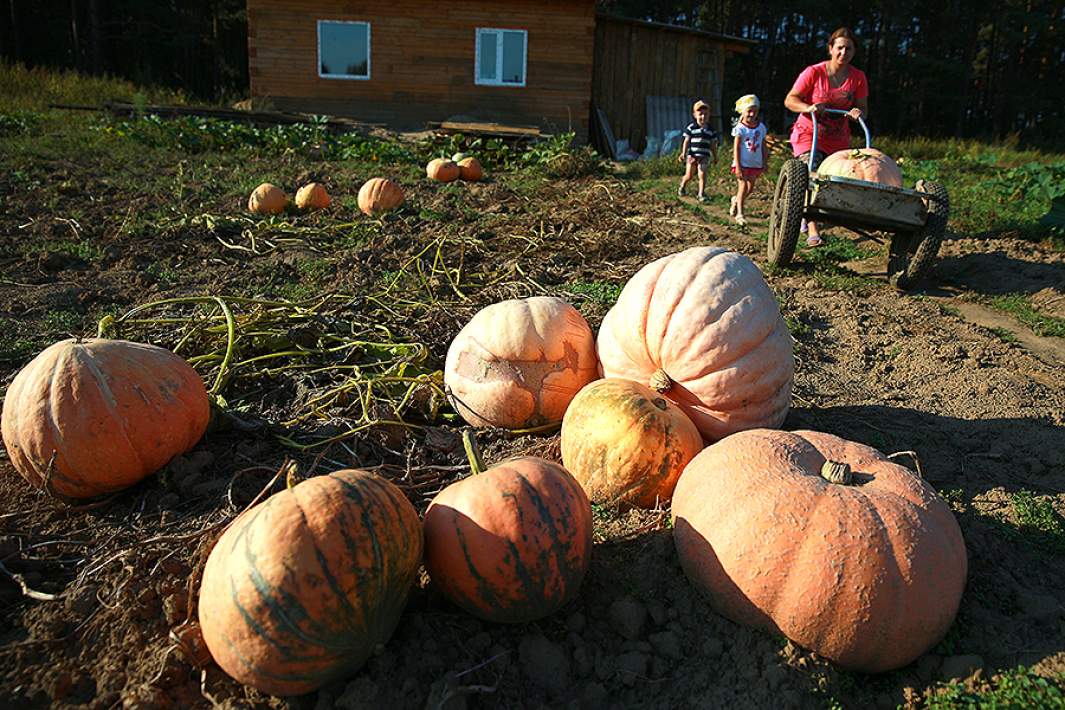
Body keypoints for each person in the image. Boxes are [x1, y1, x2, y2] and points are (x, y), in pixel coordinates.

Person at [784, 26, 869, 246]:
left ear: (853, 52)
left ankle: (811, 214)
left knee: (834, 181)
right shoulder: (814, 72)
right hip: (808, 134)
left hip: (838, 140)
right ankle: (813, 229)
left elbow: (863, 108)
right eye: (839, 48)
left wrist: (857, 114)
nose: (843, 53)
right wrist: (809, 107)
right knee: (811, 174)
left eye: (848, 49)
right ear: (831, 49)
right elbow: (790, 99)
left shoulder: (858, 78)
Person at [729, 94, 767, 226]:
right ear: (743, 112)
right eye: (749, 111)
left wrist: (764, 162)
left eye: (754, 111)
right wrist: (738, 165)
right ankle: (740, 214)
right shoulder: (740, 128)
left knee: (749, 189)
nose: (751, 114)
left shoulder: (761, 128)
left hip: (755, 164)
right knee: (743, 186)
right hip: (742, 163)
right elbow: (736, 147)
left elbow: (763, 145)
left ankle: (735, 200)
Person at [677, 100, 719, 203]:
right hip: (692, 155)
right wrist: (683, 153)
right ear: (695, 115)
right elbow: (686, 141)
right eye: (700, 114)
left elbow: (713, 145)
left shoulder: (711, 130)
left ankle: (701, 194)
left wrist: (715, 156)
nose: (703, 117)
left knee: (702, 174)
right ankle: (682, 186)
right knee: (689, 175)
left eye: (706, 114)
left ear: (709, 115)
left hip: (704, 155)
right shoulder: (691, 128)